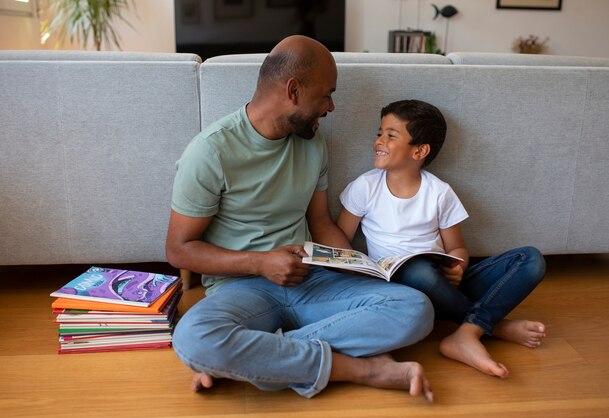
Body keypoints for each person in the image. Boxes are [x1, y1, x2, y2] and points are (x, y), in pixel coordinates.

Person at [166, 36, 435, 400]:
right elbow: (179, 250)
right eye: (326, 95)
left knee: (414, 308)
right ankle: (362, 369)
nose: (332, 106)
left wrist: (364, 266)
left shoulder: (313, 142)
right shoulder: (210, 152)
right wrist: (261, 263)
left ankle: (257, 359)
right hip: (241, 288)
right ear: (293, 90)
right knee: (193, 337)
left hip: (312, 278)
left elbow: (321, 221)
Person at [337, 99, 547, 378]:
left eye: (391, 135)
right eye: (379, 133)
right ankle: (493, 326)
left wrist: (458, 266)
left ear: (420, 151)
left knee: (530, 259)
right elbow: (341, 242)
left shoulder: (439, 192)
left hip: (444, 283)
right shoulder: (365, 186)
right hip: (399, 284)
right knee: (419, 272)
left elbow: (456, 246)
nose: (379, 141)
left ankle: (467, 332)